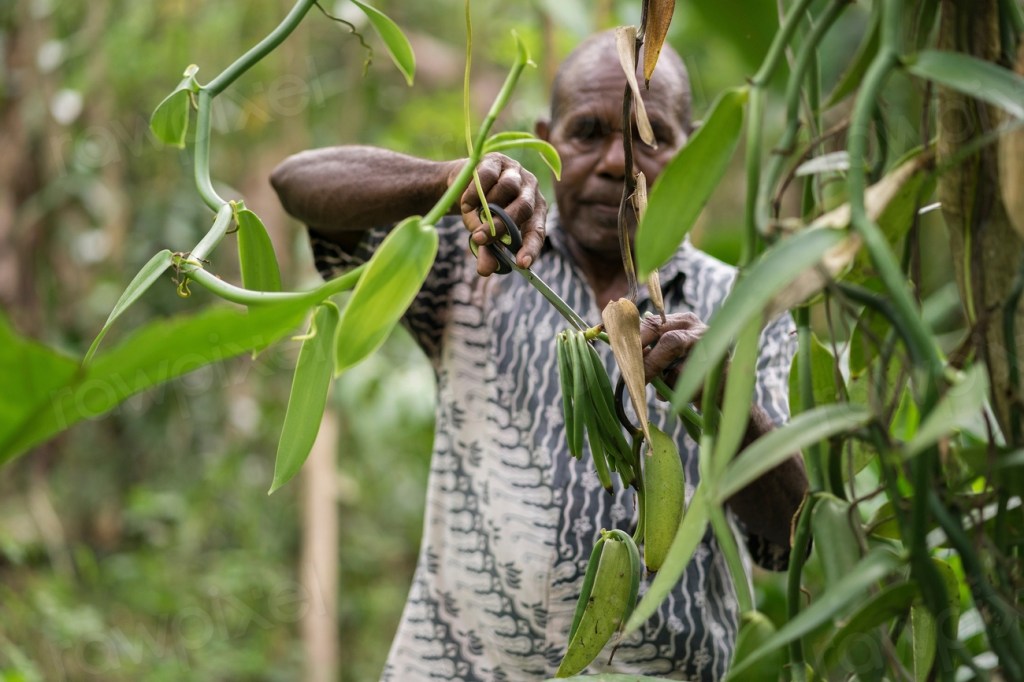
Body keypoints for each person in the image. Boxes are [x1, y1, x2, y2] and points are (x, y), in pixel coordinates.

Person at [271, 30, 807, 682]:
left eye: (649, 137)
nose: (617, 162)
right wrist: (448, 179)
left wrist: (725, 400)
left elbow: (791, 536)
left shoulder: (746, 309)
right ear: (547, 142)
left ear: (692, 151)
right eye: (588, 132)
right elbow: (297, 183)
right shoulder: (475, 262)